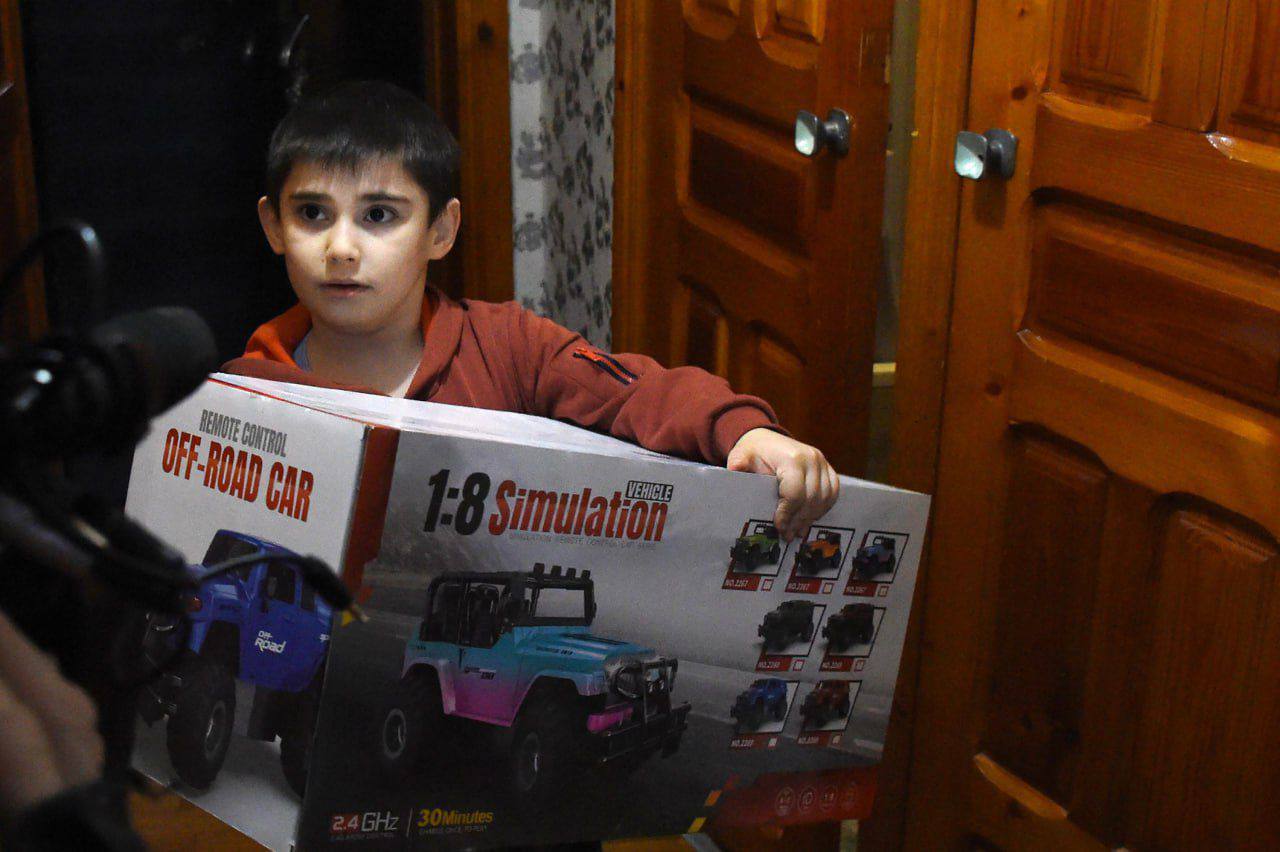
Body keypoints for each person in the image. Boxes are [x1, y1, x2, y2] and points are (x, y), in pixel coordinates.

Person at [223, 81, 837, 540]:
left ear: (441, 230)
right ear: (273, 226)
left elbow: (638, 391)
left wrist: (747, 431)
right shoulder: (243, 394)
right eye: (312, 214)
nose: (341, 248)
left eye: (379, 215)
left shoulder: (509, 348)